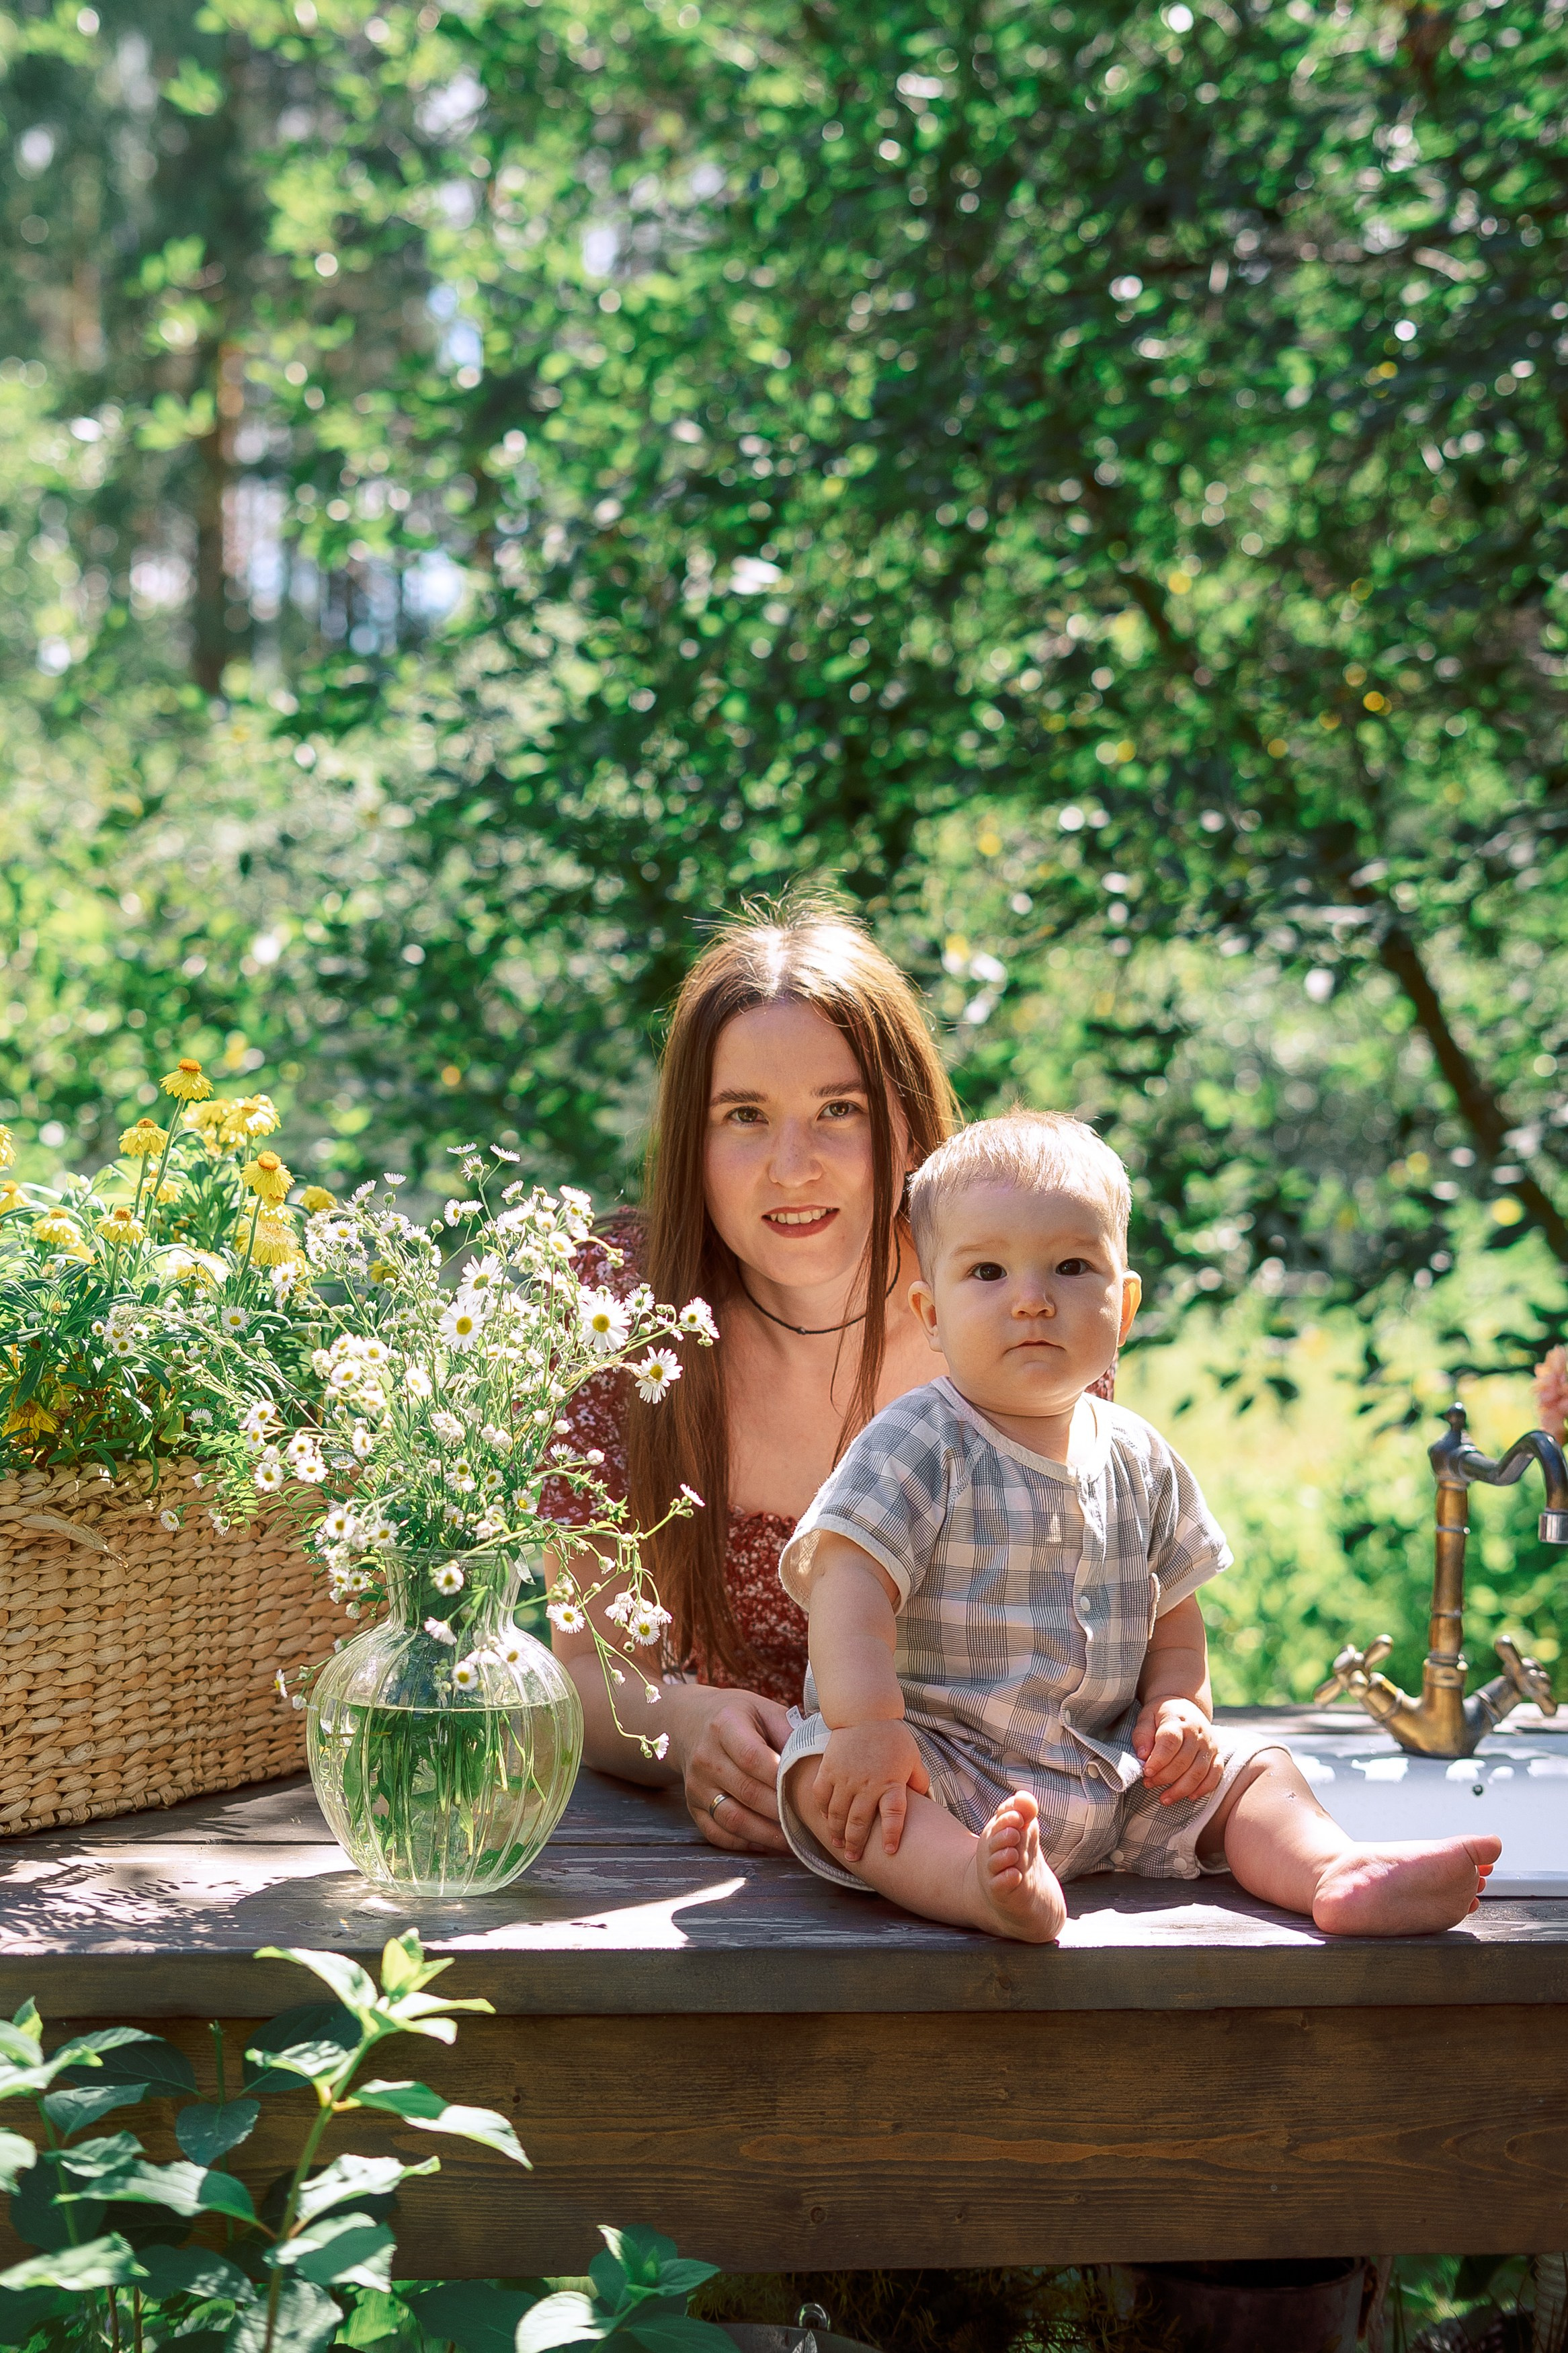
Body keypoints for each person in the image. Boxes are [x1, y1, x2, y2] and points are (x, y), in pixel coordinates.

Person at [776, 1111, 1503, 1940]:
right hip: (946, 1765)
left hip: (1112, 1770)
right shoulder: (918, 1441)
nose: (1032, 1298)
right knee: (829, 1782)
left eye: (1071, 1266)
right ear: (929, 1311)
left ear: (1121, 1307)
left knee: (1251, 1770)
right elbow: (846, 1578)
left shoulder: (1140, 1456)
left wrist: (1178, 1707)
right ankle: (975, 1884)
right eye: (985, 1270)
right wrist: (867, 1725)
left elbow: (1172, 1614)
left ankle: (1330, 1865)